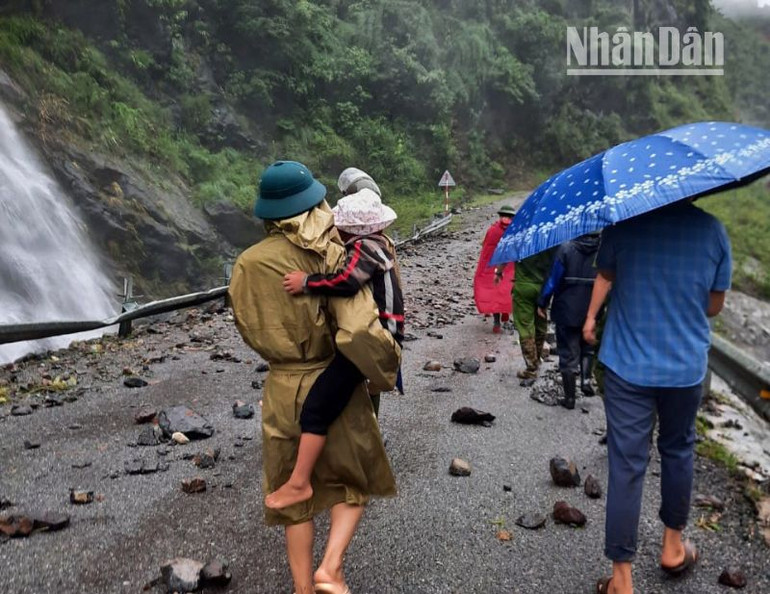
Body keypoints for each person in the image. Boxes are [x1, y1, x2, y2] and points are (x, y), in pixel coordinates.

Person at [229, 160, 401, 594]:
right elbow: (360, 327)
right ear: (315, 203)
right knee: (352, 482)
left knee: (294, 496)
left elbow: (250, 327)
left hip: (283, 385)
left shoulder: (247, 264)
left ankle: (304, 589)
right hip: (333, 377)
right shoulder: (332, 252)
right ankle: (332, 566)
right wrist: (383, 367)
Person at [582, 199, 731, 594]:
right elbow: (714, 306)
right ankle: (672, 548)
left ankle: (621, 580)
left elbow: (607, 275)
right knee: (679, 450)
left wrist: (592, 319)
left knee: (627, 464)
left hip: (627, 365)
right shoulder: (713, 230)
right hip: (684, 369)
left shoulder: (622, 228)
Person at [267, 187, 404, 511]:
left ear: (351, 230)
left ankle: (299, 483)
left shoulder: (366, 248)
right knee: (345, 405)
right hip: (380, 336)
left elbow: (346, 282)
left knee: (316, 408)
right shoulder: (381, 243)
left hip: (373, 339)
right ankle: (346, 468)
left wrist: (306, 282)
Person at [536, 233, 600, 409]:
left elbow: (553, 279)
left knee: (568, 354)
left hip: (567, 309)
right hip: (592, 307)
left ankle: (570, 398)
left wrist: (543, 301)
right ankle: (586, 380)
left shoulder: (565, 248)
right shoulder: (602, 250)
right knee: (588, 348)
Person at [501, 248, 554, 385]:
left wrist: (499, 272)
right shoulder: (550, 239)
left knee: (525, 327)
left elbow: (507, 255)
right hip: (544, 288)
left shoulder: (522, 239)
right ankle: (538, 357)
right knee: (541, 323)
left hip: (523, 287)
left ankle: (531, 367)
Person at [474, 205, 515, 334]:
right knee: (507, 292)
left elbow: (486, 250)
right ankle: (506, 318)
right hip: (509, 267)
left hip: (493, 266)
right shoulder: (514, 230)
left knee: (495, 293)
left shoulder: (492, 230)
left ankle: (497, 322)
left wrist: (482, 270)